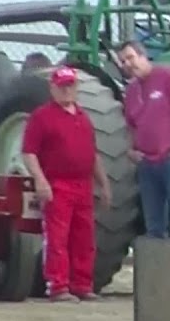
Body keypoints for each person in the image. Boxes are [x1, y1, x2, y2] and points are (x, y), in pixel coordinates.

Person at [21, 66, 112, 302]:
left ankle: (82, 284)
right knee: (58, 237)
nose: (66, 90)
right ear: (52, 88)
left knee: (84, 238)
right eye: (62, 86)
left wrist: (103, 184)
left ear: (76, 87)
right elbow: (29, 153)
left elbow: (93, 155)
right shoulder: (42, 116)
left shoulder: (83, 117)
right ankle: (58, 285)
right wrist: (41, 181)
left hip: (83, 185)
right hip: (58, 184)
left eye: (70, 85)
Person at [117, 40, 170, 239]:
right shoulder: (131, 92)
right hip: (147, 165)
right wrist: (130, 150)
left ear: (143, 55)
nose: (128, 64)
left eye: (130, 57)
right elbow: (130, 127)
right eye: (123, 61)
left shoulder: (168, 76)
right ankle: (159, 268)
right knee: (154, 225)